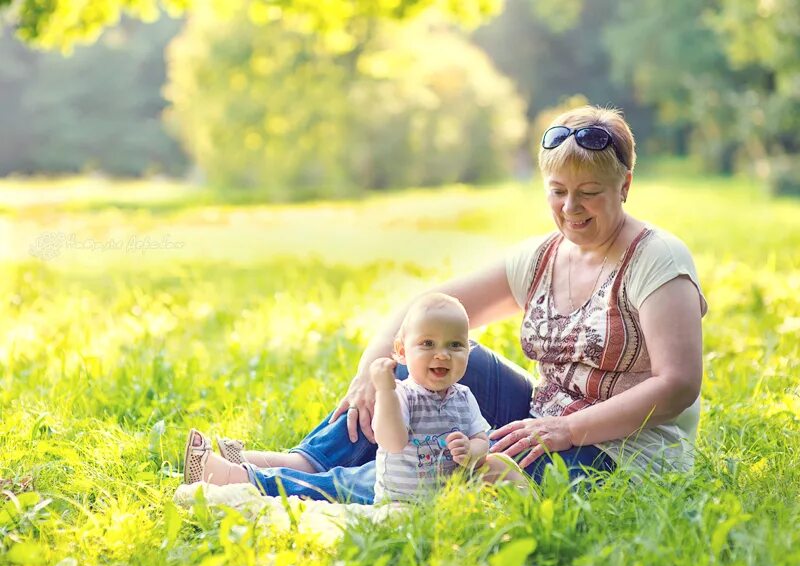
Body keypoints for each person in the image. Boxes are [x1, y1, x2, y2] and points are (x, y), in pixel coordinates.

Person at [184, 105, 707, 503]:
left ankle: (260, 482)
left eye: (589, 192)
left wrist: (567, 430)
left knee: (453, 469)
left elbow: (678, 383)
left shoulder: (657, 260)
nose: (570, 208)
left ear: (625, 185)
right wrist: (376, 368)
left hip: (618, 454)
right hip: (539, 419)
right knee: (439, 351)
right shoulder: (544, 256)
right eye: (557, 191)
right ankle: (309, 460)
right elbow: (429, 307)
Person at [184, 293, 526, 501]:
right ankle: (249, 469)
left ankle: (244, 476)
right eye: (427, 345)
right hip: (398, 489)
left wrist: (473, 451)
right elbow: (391, 440)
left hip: (438, 487)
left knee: (337, 485)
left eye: (456, 346)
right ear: (400, 351)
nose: (442, 355)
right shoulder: (404, 393)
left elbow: (481, 437)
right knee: (339, 483)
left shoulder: (463, 396)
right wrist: (386, 391)